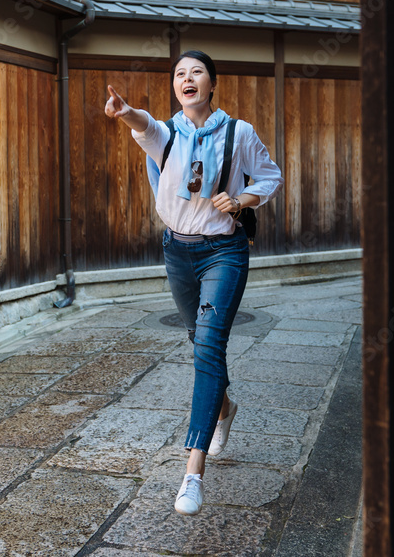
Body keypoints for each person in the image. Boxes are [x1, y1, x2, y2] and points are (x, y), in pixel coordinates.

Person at [104, 50, 283, 516]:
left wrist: (241, 199)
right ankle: (224, 409)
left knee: (208, 346)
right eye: (180, 74)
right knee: (197, 340)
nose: (187, 79)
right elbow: (146, 126)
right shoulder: (168, 133)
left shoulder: (238, 132)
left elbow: (270, 175)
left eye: (196, 72)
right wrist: (127, 114)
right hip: (178, 252)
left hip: (223, 251)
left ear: (212, 83)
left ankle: (192, 471)